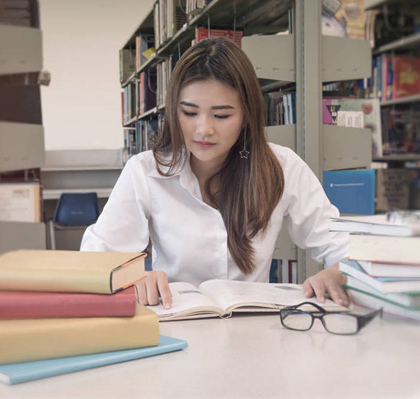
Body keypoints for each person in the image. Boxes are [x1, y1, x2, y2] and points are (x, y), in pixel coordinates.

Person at [81, 37, 350, 309]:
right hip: (176, 325)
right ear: (174, 110)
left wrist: (335, 273)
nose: (204, 129)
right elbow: (95, 257)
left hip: (254, 330)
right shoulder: (145, 171)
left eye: (221, 116)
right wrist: (132, 277)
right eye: (189, 112)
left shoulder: (282, 166)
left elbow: (344, 246)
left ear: (246, 115)